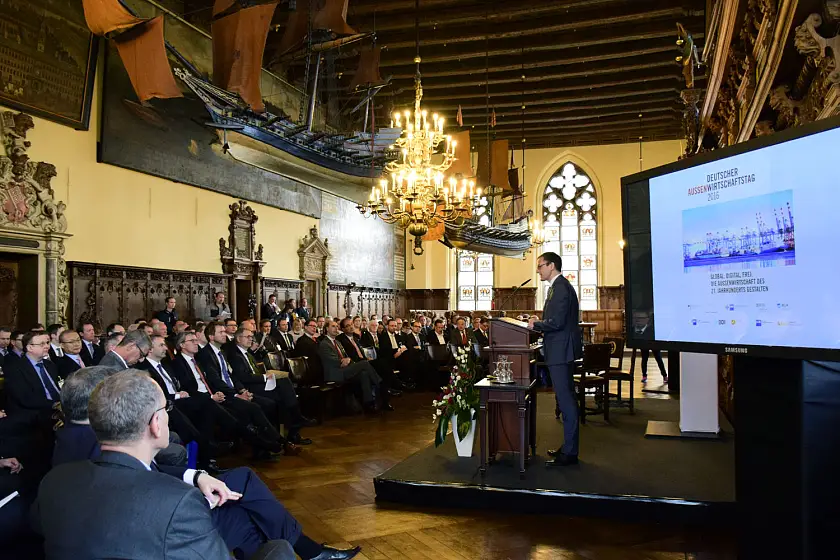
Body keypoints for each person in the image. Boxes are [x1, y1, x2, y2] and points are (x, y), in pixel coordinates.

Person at [40, 369, 359, 560]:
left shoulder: (55, 481)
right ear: (156, 424)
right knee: (275, 546)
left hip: (152, 517)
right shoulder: (177, 503)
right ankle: (302, 549)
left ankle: (307, 551)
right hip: (161, 521)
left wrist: (195, 476)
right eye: (166, 410)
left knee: (241, 514)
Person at [529, 252, 582, 467]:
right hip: (560, 349)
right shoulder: (557, 287)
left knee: (566, 400)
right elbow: (556, 319)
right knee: (565, 398)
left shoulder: (560, 287)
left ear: (551, 266)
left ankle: (570, 452)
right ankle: (569, 447)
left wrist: (536, 324)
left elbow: (557, 322)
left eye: (540, 265)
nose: (538, 270)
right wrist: (540, 321)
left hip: (561, 351)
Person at [319, 319, 388, 413]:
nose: (336, 328)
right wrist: (342, 361)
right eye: (333, 326)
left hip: (344, 369)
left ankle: (368, 403)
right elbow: (330, 360)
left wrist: (348, 361)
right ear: (327, 329)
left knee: (364, 374)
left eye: (337, 326)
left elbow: (346, 357)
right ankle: (379, 384)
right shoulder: (324, 344)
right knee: (364, 363)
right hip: (335, 373)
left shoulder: (337, 342)